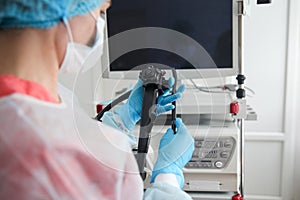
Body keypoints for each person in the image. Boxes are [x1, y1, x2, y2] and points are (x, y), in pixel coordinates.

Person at [0, 0, 195, 199]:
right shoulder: (72, 152)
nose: (99, 27)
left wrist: (124, 117)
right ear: (68, 11)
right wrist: (167, 178)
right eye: (100, 13)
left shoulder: (55, 101)